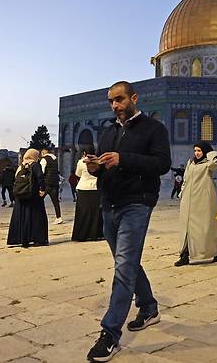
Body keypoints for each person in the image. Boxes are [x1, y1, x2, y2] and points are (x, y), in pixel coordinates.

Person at [84, 81, 171, 362]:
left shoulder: (153, 128)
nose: (115, 105)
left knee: (123, 267)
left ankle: (110, 333)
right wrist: (95, 167)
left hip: (137, 203)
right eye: (111, 101)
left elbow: (161, 164)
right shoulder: (109, 132)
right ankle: (148, 307)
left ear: (133, 98)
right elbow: (105, 169)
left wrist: (123, 158)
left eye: (119, 99)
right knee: (128, 262)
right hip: (109, 205)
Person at [175, 141, 217, 266]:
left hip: (203, 200)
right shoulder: (190, 163)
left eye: (199, 151)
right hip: (188, 200)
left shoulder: (208, 164)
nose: (196, 153)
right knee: (186, 228)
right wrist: (182, 192)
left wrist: (211, 152)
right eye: (195, 150)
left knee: (206, 228)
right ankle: (185, 254)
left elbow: (214, 163)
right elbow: (186, 179)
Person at [6, 149, 48, 247]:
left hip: (21, 195)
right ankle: (38, 239)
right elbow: (40, 177)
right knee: (36, 217)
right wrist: (42, 189)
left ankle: (20, 239)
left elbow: (16, 179)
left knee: (22, 218)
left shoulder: (21, 166)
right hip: (33, 196)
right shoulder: (35, 165)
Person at [72, 146, 103, 242]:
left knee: (83, 213)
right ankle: (95, 234)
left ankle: (82, 234)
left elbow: (78, 174)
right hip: (95, 188)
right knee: (95, 213)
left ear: (85, 153)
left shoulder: (81, 162)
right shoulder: (99, 161)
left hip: (83, 188)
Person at [40, 148, 63, 224]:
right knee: (55, 201)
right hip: (55, 182)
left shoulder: (44, 160)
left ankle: (38, 217)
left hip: (47, 183)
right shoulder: (55, 160)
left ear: (43, 153)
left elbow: (42, 172)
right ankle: (59, 217)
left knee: (39, 199)